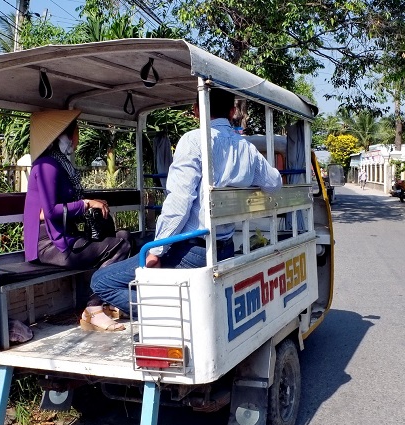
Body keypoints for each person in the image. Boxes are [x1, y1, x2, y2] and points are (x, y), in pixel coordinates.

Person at [87, 88, 282, 330]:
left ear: (196, 110)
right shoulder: (247, 148)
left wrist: (157, 251)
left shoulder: (193, 140)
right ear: (233, 112)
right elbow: (274, 184)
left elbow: (179, 203)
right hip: (226, 248)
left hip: (193, 251)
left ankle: (180, 315)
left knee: (102, 281)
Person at [23, 109, 131, 332]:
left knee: (121, 237)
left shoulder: (59, 164)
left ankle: (99, 303)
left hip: (64, 238)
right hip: (49, 245)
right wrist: (86, 204)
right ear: (66, 134)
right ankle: (93, 309)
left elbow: (66, 202)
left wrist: (91, 201)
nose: (78, 138)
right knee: (122, 243)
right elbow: (50, 211)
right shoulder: (46, 166)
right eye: (77, 132)